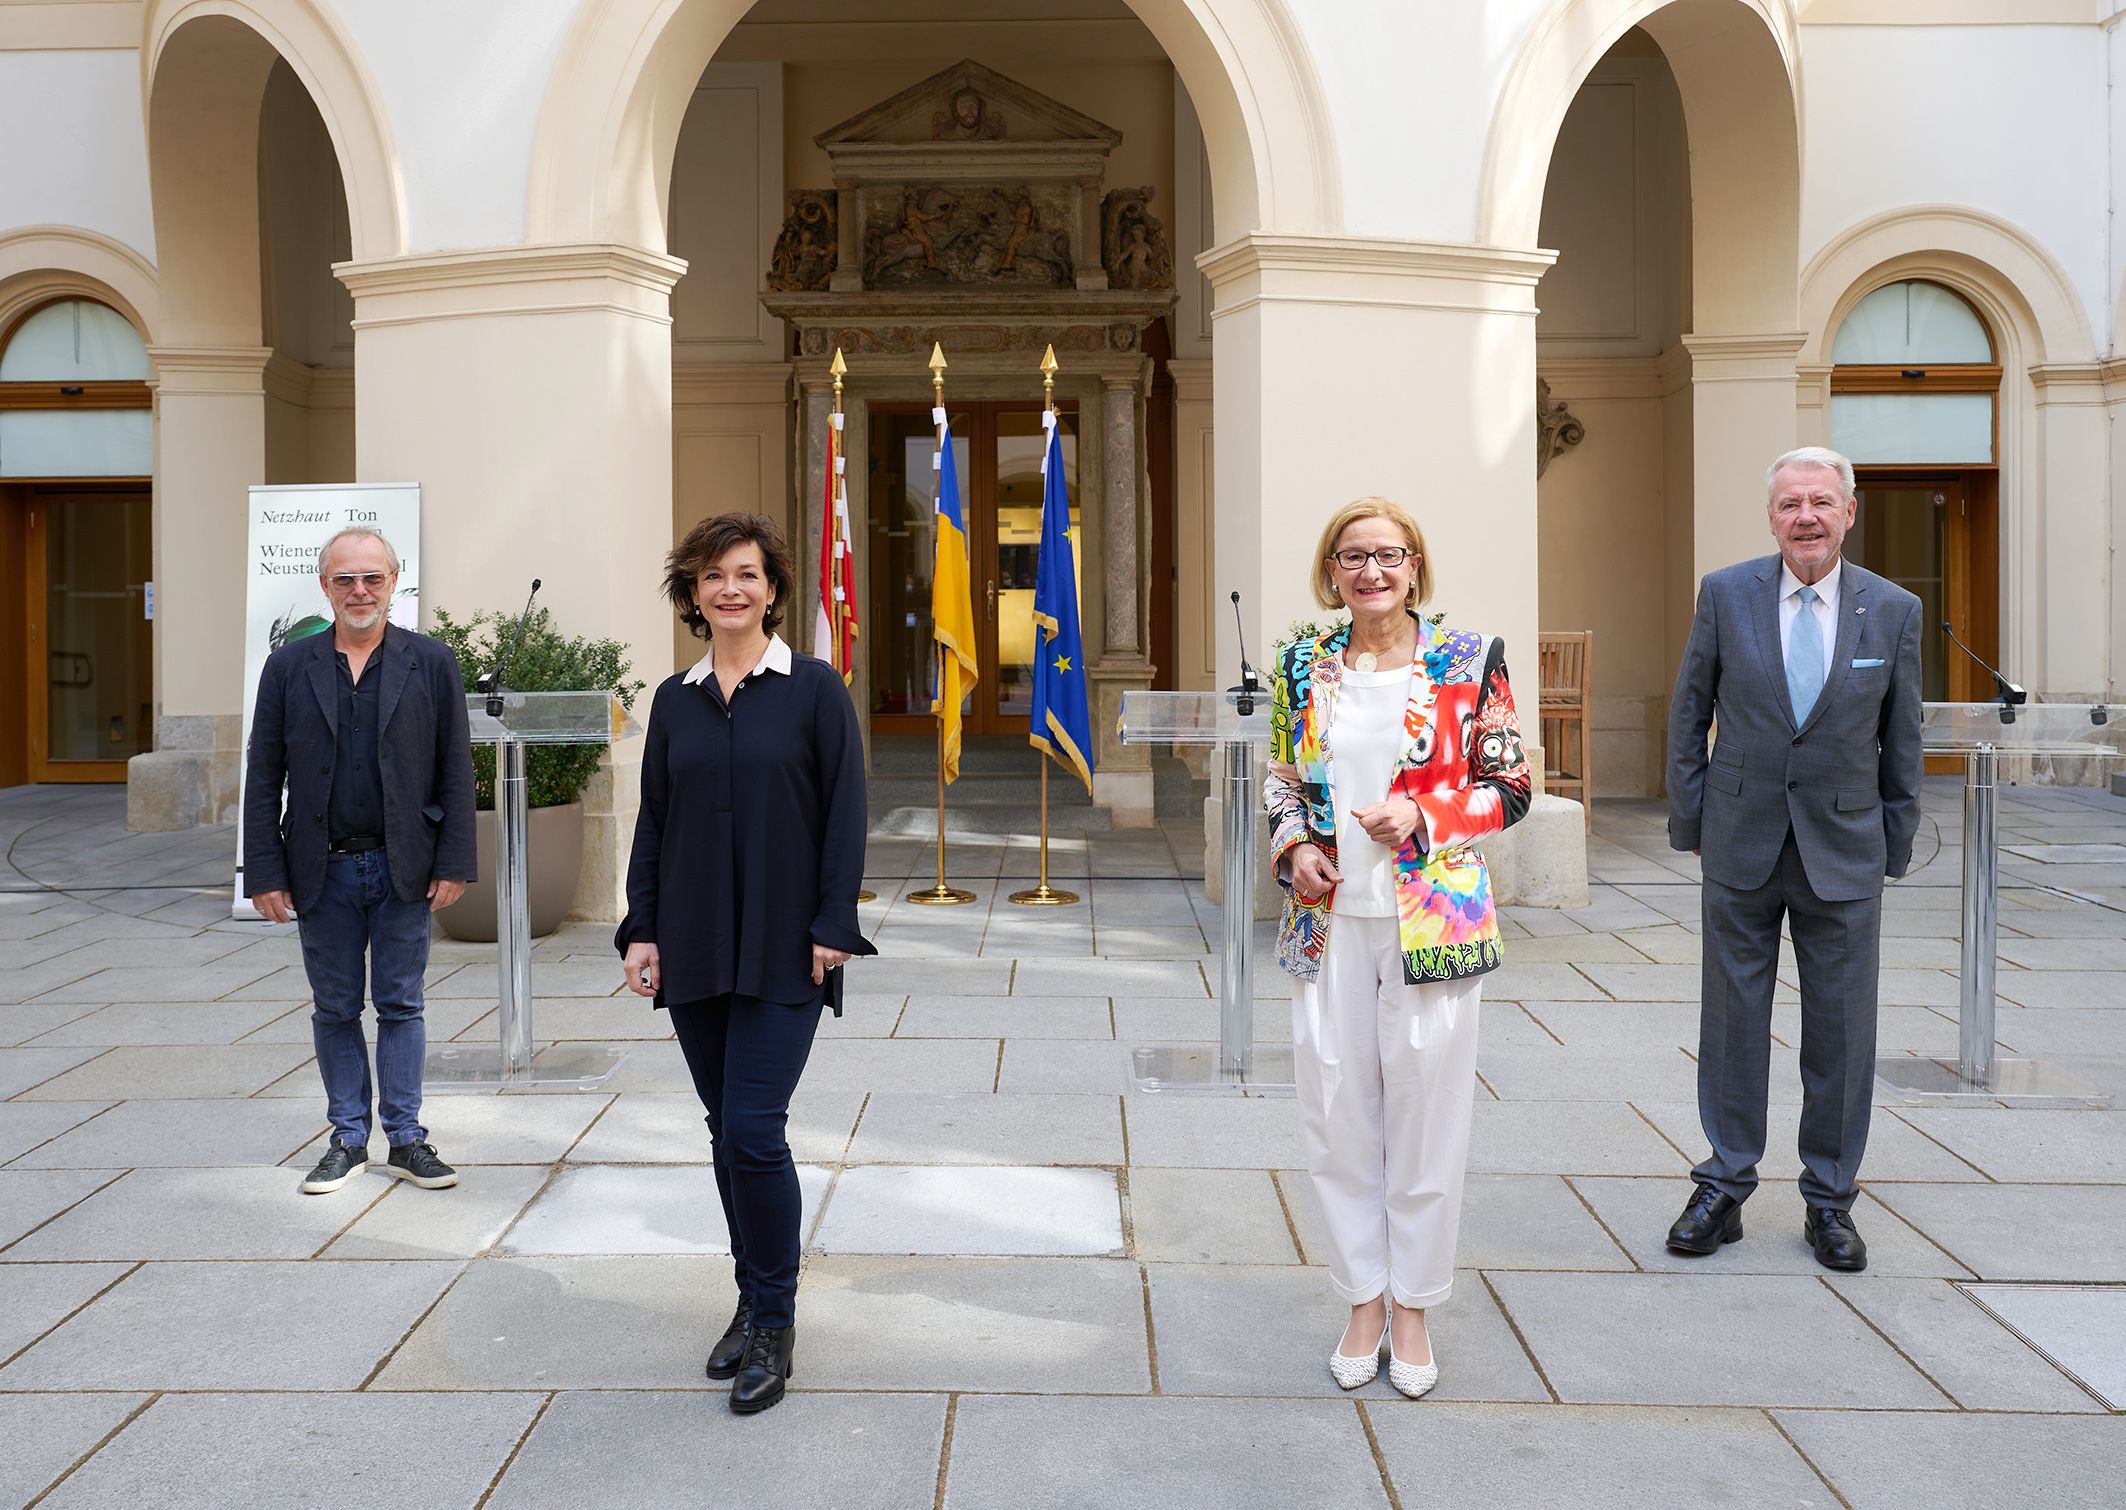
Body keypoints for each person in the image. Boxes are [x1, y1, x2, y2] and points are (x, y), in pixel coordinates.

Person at [1264, 497, 1531, 1399]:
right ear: (1330, 571)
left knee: (1425, 1118)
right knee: (1337, 1116)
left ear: (1415, 563)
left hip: (1434, 921)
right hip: (1329, 920)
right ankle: (1362, 1298)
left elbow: (1512, 788)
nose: (1369, 572)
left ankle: (1413, 1305)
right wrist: (1293, 845)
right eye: (1351, 557)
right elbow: (1284, 778)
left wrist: (1425, 813)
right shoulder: (1302, 663)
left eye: (1387, 555)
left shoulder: (1469, 660)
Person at [617, 511, 875, 1416]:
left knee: (755, 1128)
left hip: (784, 944)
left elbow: (845, 815)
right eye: (712, 576)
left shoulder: (813, 690)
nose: (731, 589)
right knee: (725, 1130)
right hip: (691, 943)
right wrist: (638, 927)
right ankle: (751, 1294)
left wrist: (833, 920)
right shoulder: (675, 699)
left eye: (747, 574)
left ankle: (775, 1320)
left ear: (772, 589)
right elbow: (654, 819)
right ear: (692, 593)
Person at [1665, 446, 1923, 1272]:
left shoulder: (1892, 610)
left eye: (1820, 502)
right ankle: (1724, 1186)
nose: (1805, 517)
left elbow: (1903, 739)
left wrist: (1894, 837)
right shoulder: (1725, 594)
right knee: (1733, 1022)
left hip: (1844, 849)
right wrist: (1692, 817)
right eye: (1789, 505)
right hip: (1739, 841)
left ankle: (1830, 1200)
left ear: (1850, 512)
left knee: (1842, 1034)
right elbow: (1688, 713)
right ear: (1771, 517)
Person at [244, 525, 474, 1196]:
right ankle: (347, 1138)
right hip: (322, 870)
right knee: (336, 1008)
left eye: (372, 577)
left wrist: (455, 859)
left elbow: (455, 768)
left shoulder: (431, 662)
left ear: (393, 583)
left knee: (401, 1004)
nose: (359, 590)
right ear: (325, 586)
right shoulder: (289, 667)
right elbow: (264, 775)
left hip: (404, 865)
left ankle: (406, 1140)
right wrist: (265, 870)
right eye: (345, 579)